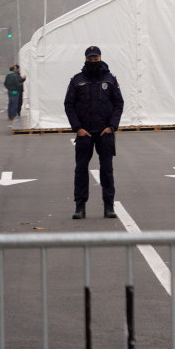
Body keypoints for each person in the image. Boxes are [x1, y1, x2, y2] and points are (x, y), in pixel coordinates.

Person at [64, 46, 124, 219]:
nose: (93, 61)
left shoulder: (110, 79)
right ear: (85, 59)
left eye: (96, 58)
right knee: (81, 170)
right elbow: (69, 105)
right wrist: (78, 128)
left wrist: (112, 127)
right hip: (85, 133)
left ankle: (109, 206)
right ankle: (80, 207)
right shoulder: (77, 80)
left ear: (100, 58)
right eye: (90, 58)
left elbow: (119, 103)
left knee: (107, 170)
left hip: (105, 133)